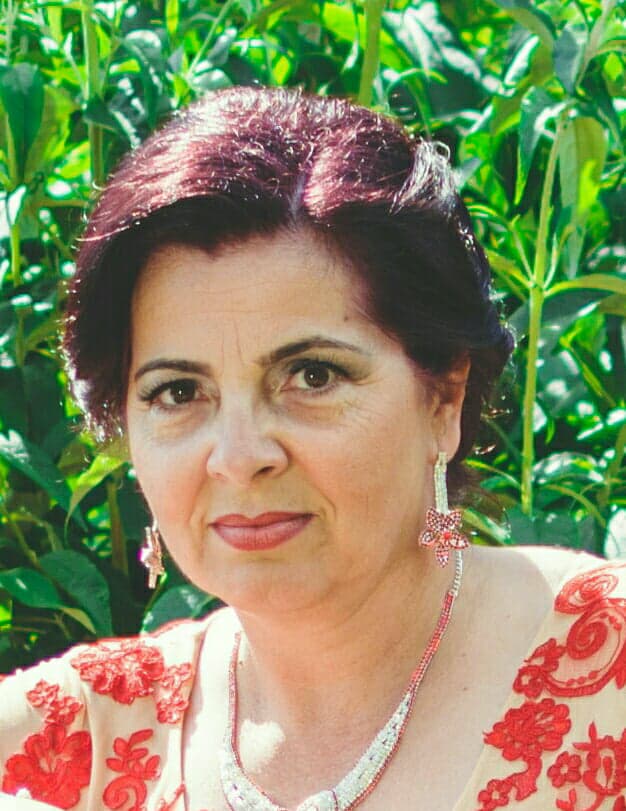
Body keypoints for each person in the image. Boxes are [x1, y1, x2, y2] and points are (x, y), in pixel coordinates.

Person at [0, 86, 623, 811]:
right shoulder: (55, 749)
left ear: (443, 401)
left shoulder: (607, 672)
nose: (239, 457)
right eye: (178, 391)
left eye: (313, 376)